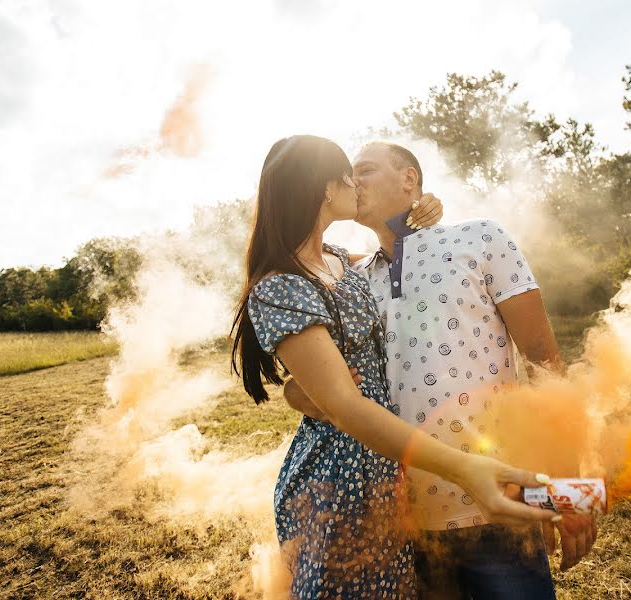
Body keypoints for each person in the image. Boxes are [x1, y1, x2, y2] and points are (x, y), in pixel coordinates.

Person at [230, 135, 561, 598]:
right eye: (346, 173)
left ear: (410, 179)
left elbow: (546, 360)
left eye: (363, 169)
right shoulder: (355, 274)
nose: (352, 180)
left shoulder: (479, 237)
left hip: (496, 497)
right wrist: (298, 392)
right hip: (399, 513)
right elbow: (328, 376)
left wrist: (568, 492)